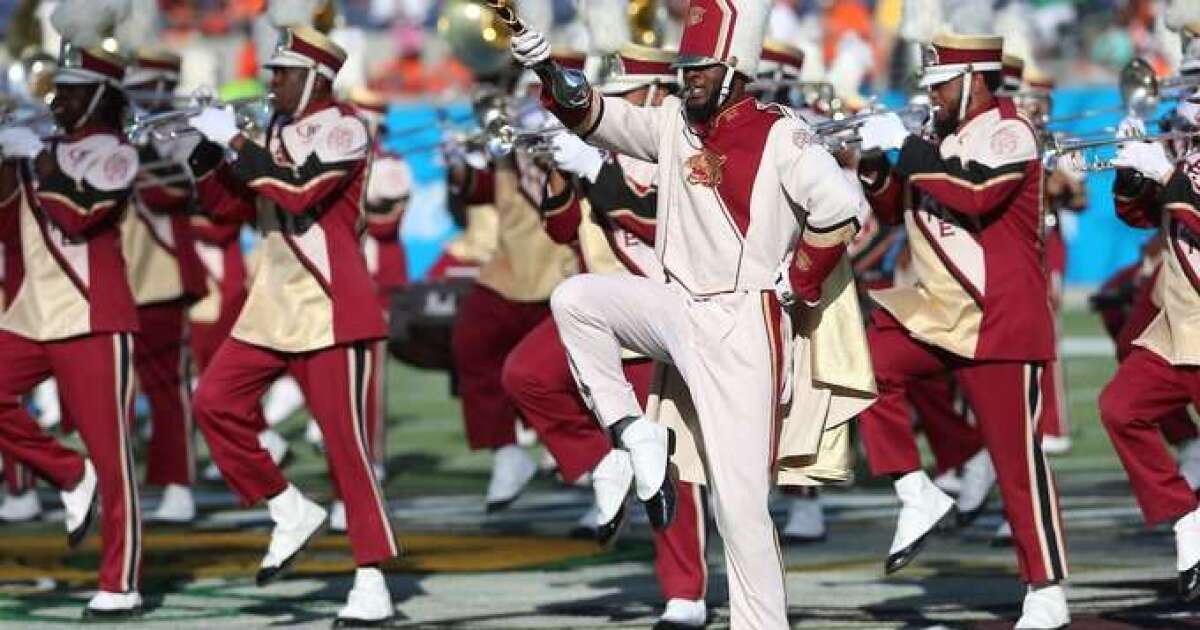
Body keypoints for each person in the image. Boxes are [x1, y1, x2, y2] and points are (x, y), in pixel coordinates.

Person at [511, 0, 872, 625]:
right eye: (685, 65)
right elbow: (597, 116)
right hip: (677, 303)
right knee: (577, 300)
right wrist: (546, 67)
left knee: (739, 503)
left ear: (734, 66)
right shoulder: (674, 120)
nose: (689, 76)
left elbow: (841, 210)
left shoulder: (781, 131)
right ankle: (632, 435)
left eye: (701, 66)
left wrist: (799, 282)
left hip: (744, 322)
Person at [854, 32, 1069, 628]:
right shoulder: (933, 137)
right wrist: (875, 164)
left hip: (998, 318)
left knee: (1017, 466)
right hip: (939, 310)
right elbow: (901, 204)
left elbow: (974, 192)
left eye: (942, 84)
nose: (933, 96)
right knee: (866, 361)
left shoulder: (1013, 130)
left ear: (975, 80)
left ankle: (1045, 588)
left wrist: (908, 148)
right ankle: (914, 488)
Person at [185, 26, 399, 625]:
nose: (269, 81)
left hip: (330, 307)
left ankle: (372, 577)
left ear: (314, 78)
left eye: (280, 73)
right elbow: (233, 210)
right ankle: (286, 506)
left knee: (346, 453)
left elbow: (300, 193)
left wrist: (236, 141)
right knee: (212, 403)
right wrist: (207, 159)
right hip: (272, 305)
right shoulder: (274, 129)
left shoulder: (345, 125)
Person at [500, 43, 709, 629]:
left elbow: (660, 220)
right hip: (594, 309)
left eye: (619, 97)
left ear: (650, 95)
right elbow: (564, 229)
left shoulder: (680, 142)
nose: (606, 109)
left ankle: (685, 593)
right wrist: (563, 174)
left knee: (671, 458)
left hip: (658, 309)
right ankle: (601, 464)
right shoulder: (603, 143)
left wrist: (601, 171)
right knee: (525, 375)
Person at [0, 45, 144, 618]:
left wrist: (37, 159)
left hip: (93, 317)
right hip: (33, 314)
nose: (55, 99)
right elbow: (9, 230)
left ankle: (121, 580)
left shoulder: (118, 153)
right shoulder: (44, 151)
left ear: (99, 97)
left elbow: (79, 214)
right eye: (57, 88)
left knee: (114, 461)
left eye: (70, 90)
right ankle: (65, 470)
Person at [447, 56, 579, 512]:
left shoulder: (577, 141)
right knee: (471, 344)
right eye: (525, 92)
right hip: (507, 272)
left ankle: (596, 465)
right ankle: (505, 452)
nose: (527, 102)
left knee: (575, 379)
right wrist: (460, 167)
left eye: (535, 94)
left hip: (560, 272)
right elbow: (487, 188)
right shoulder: (514, 140)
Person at [1099, 110, 1200, 602]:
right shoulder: (1187, 154)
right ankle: (1186, 513)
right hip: (1178, 328)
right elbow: (1136, 217)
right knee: (1121, 408)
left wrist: (1167, 175)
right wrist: (1130, 168)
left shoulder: (1182, 167)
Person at [121, 49, 209, 523]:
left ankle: (178, 484)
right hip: (109, 280)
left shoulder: (181, 135)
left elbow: (172, 192)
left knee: (166, 387)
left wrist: (138, 144)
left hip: (160, 276)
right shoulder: (106, 133)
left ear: (162, 86)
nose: (134, 97)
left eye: (142, 88)